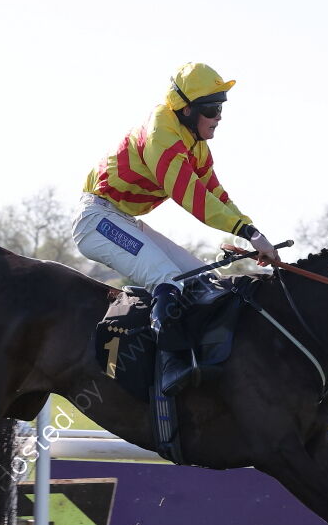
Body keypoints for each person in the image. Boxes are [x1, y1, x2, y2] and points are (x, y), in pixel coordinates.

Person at [72, 62, 280, 396]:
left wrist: (254, 231)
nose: (219, 117)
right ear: (186, 110)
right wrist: (249, 234)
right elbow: (193, 197)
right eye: (211, 109)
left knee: (205, 280)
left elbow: (216, 195)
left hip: (123, 219)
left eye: (221, 108)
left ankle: (203, 357)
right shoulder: (162, 136)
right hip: (97, 220)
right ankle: (171, 368)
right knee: (167, 279)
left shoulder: (196, 144)